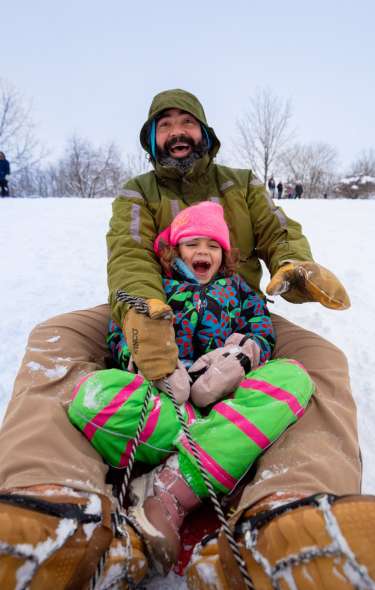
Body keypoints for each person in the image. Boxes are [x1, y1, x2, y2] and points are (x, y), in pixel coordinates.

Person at [0, 88, 374, 589]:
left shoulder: (241, 185)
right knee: (55, 338)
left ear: (204, 131)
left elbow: (278, 229)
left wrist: (292, 263)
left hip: (236, 314)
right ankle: (49, 500)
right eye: (164, 124)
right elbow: (130, 256)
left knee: (319, 359)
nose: (177, 132)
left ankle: (291, 510)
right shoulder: (139, 192)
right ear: (152, 139)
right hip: (152, 304)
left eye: (186, 122)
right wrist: (143, 316)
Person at [68, 201, 314, 572]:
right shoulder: (157, 291)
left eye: (213, 246)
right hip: (169, 407)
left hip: (229, 400)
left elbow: (262, 331)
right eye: (193, 243)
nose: (203, 252)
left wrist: (241, 358)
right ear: (175, 250)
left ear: (224, 254)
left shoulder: (240, 290)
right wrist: (151, 364)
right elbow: (120, 335)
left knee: (295, 377)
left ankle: (171, 487)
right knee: (93, 396)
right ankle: (217, 458)